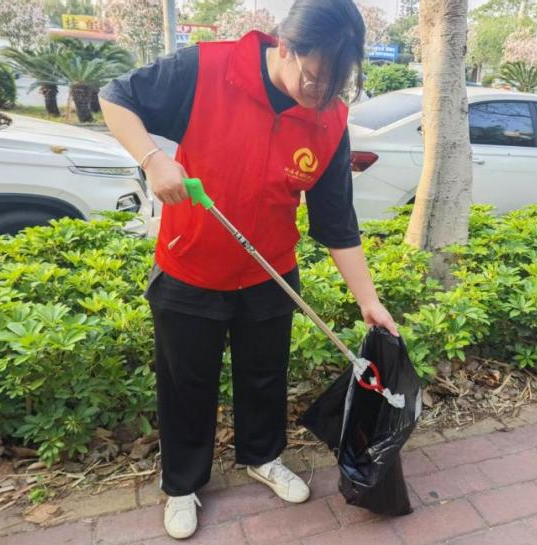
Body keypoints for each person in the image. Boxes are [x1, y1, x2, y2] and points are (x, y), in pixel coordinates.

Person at [99, 0, 398, 539]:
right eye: (315, 78)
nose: (321, 95)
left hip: (269, 273)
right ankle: (183, 483)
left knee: (265, 377)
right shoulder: (207, 69)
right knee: (186, 384)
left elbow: (336, 220)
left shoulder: (329, 118)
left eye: (336, 85)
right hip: (190, 268)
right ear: (286, 47)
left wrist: (368, 301)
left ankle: (262, 456)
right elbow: (116, 97)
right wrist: (152, 158)